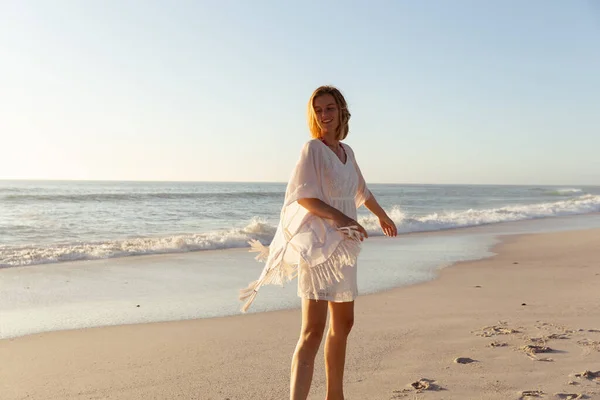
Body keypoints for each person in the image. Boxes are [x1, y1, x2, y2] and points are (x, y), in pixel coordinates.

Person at [240, 85, 397, 400]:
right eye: (319, 110)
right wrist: (340, 218)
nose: (324, 115)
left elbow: (362, 192)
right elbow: (305, 197)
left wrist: (382, 216)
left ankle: (335, 396)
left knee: (345, 324)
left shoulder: (346, 152)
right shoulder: (312, 149)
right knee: (312, 332)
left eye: (330, 108)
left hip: (344, 249)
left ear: (341, 111)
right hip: (318, 249)